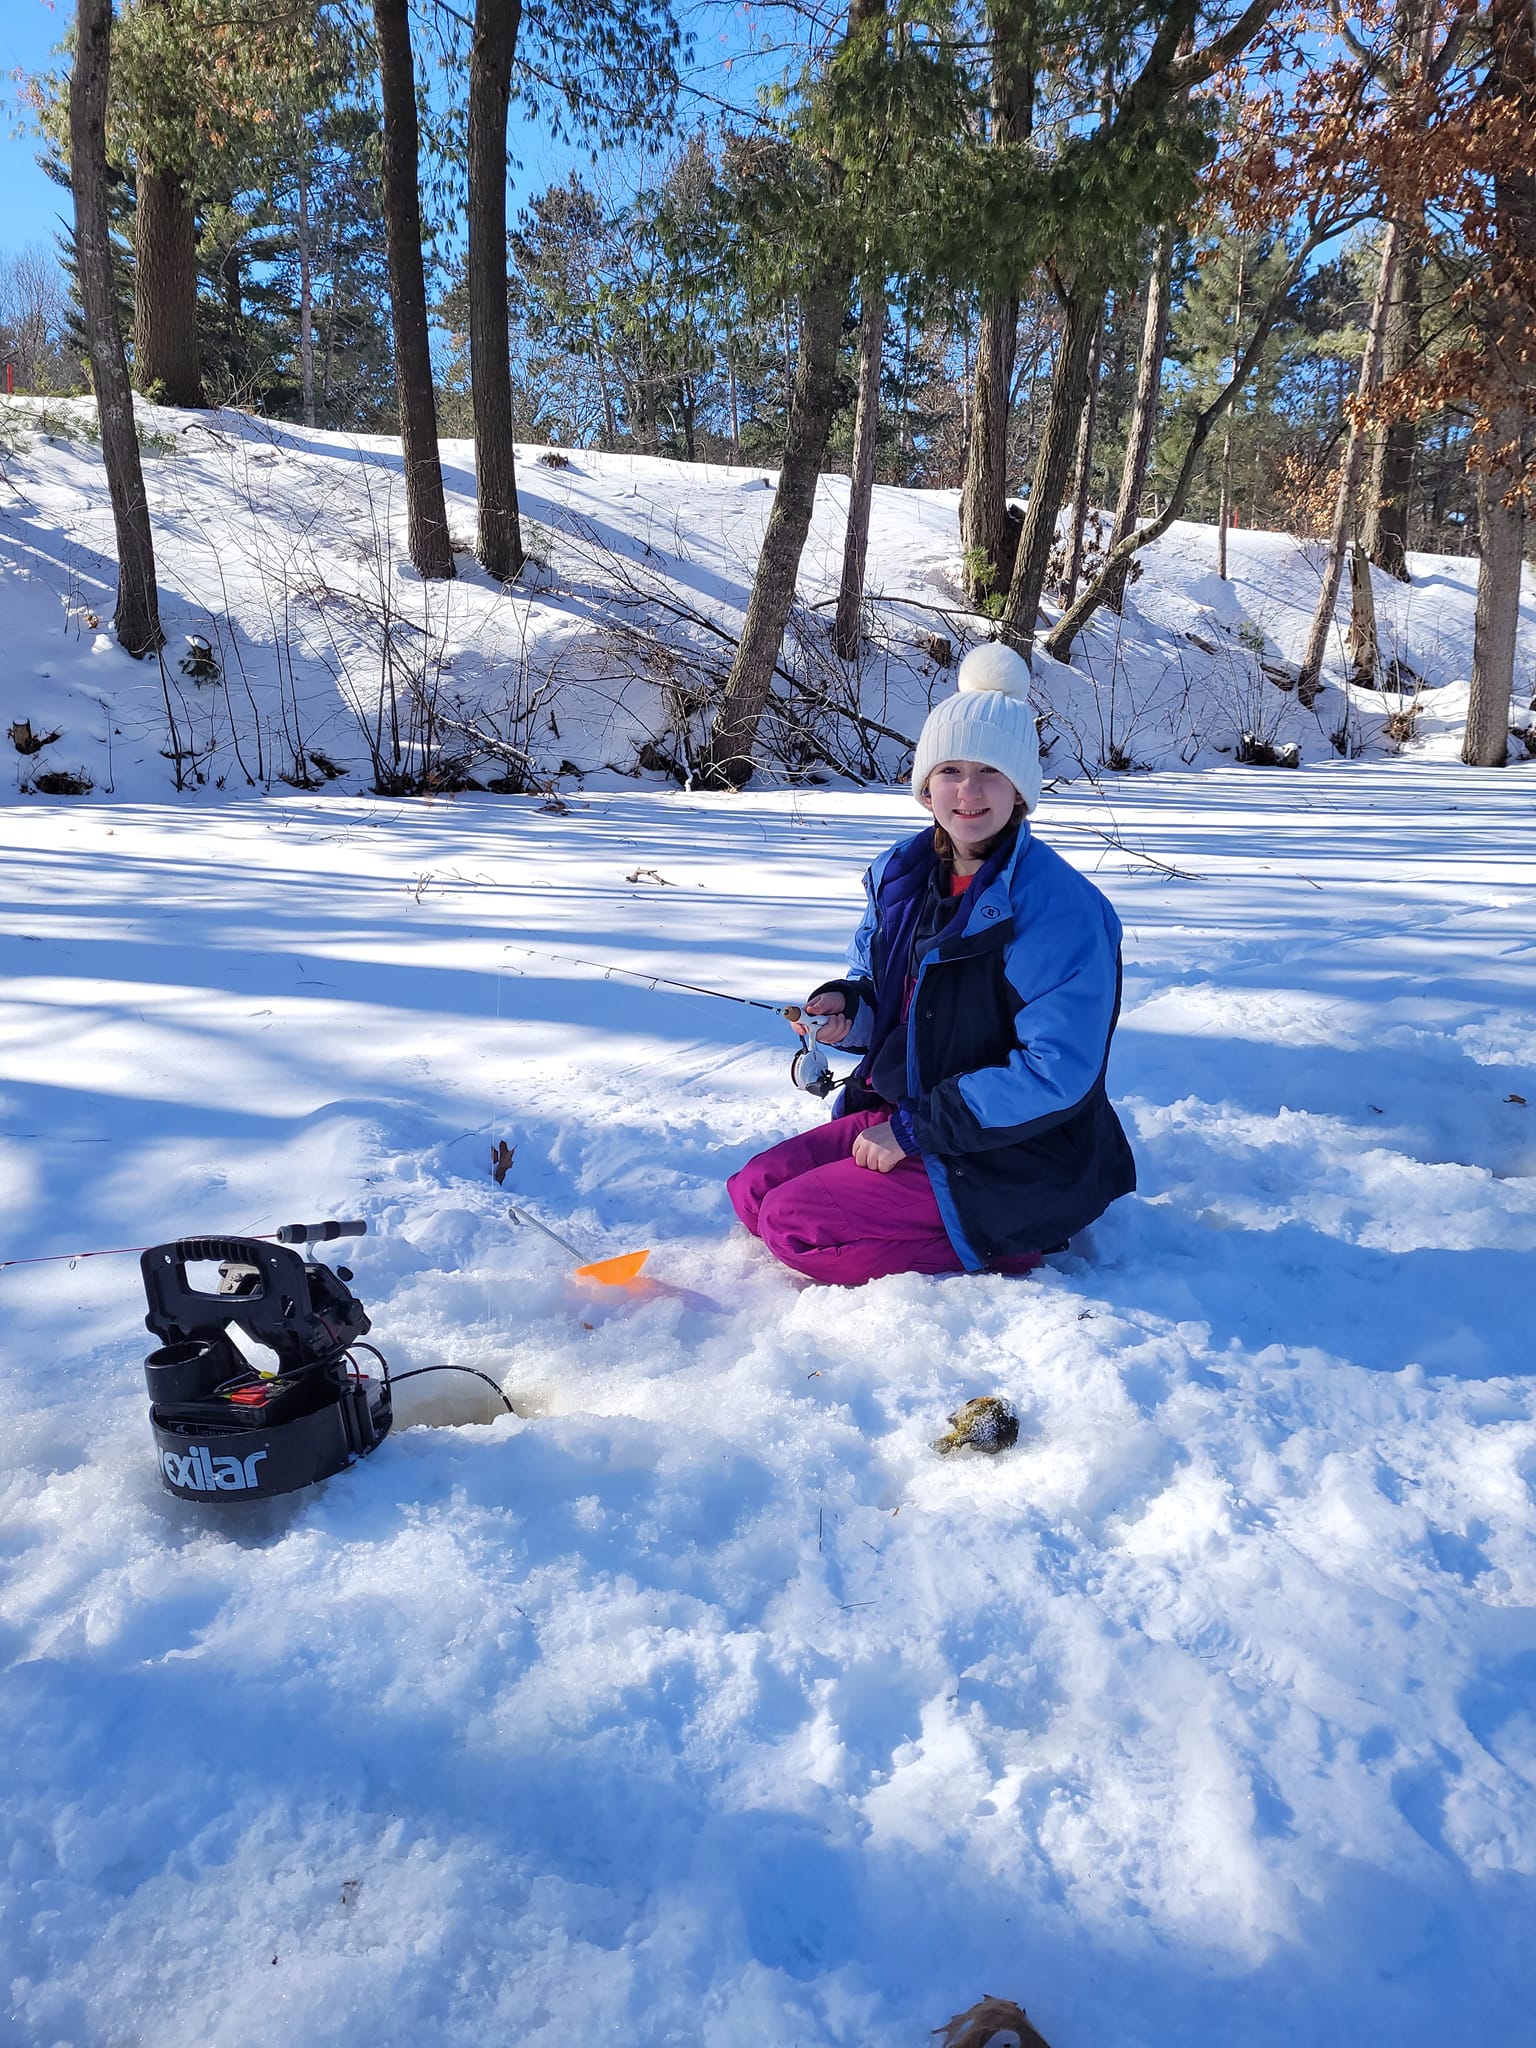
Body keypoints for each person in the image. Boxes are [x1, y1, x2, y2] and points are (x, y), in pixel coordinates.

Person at [728, 641, 1136, 1285]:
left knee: (794, 1229)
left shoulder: (1060, 911)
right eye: (950, 770)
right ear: (925, 786)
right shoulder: (905, 875)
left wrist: (915, 1132)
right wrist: (848, 1014)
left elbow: (1055, 1073)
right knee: (752, 1193)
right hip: (916, 1115)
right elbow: (892, 1000)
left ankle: (1018, 1242)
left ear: (1021, 790)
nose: (968, 792)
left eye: (991, 773)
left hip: (1015, 1153)